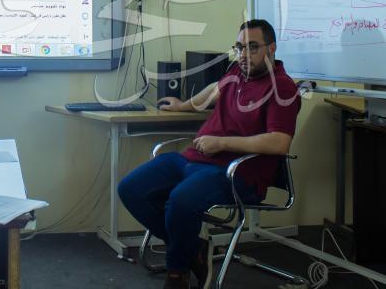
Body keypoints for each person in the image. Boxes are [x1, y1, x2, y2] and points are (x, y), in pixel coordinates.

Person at [118, 19, 300, 289]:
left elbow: (279, 143)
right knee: (130, 189)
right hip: (194, 159)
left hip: (235, 172)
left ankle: (178, 271)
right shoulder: (237, 71)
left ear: (271, 48)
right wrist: (183, 106)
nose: (243, 54)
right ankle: (193, 250)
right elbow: (214, 90)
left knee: (180, 200)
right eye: (239, 47)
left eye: (252, 47)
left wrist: (222, 143)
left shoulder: (282, 88)